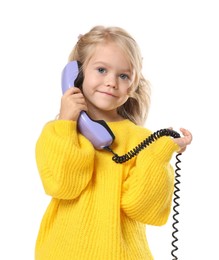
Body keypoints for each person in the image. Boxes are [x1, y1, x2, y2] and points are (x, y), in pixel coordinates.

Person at [35, 25, 192, 260]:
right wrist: (67, 123)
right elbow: (62, 186)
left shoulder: (144, 141)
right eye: (101, 69)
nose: (111, 82)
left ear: (133, 86)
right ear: (77, 75)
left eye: (123, 75)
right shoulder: (57, 132)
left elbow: (144, 209)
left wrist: (159, 156)